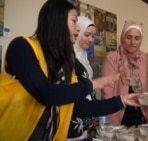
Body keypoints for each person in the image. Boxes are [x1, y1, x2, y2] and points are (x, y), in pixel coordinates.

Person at [0, 1, 140, 140]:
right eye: (74, 21)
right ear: (57, 20)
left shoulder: (65, 63)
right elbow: (45, 93)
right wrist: (92, 84)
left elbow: (79, 107)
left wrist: (121, 100)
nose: (78, 28)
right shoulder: (22, 47)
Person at [101, 20, 148, 127]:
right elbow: (107, 92)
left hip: (139, 113)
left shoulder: (143, 58)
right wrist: (112, 124)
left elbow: (147, 89)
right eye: (129, 37)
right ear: (122, 38)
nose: (133, 42)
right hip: (117, 115)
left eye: (137, 38)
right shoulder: (112, 57)